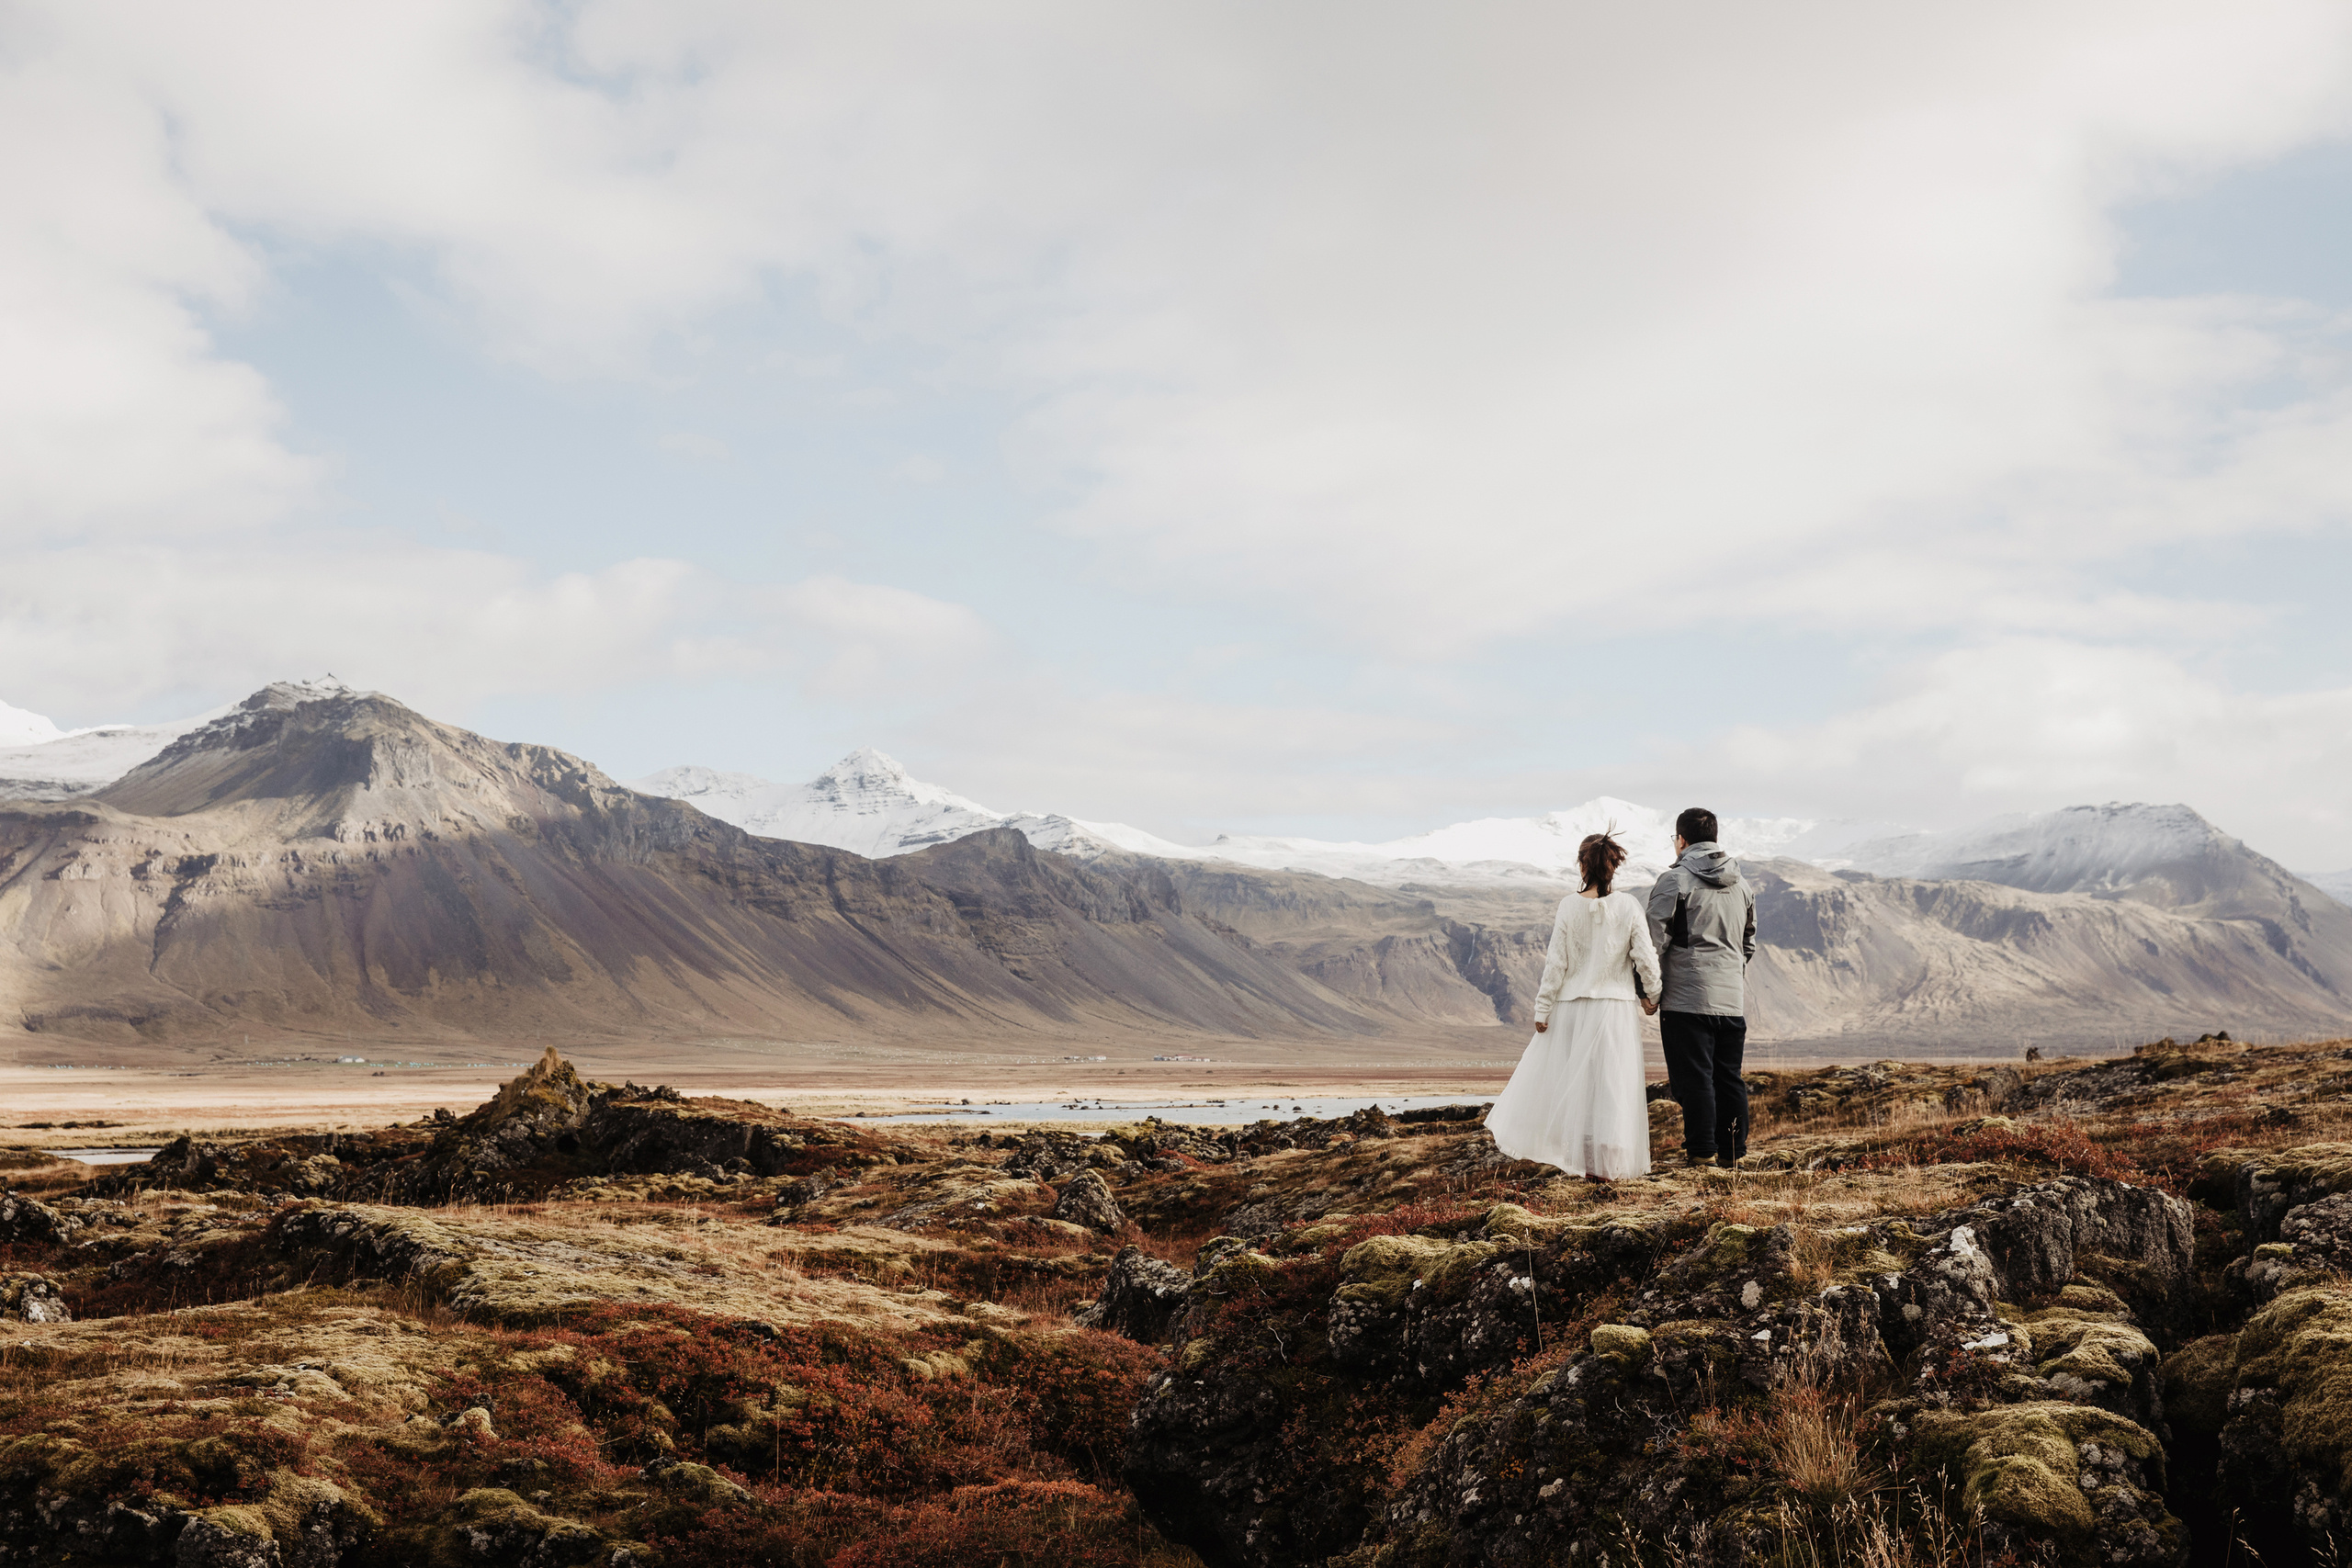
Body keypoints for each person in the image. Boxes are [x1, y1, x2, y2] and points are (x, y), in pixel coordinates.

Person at [1485, 829, 1661, 1179]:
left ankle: (1582, 1166)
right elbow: (1645, 957)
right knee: (1610, 1088)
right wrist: (1652, 995)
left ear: (1583, 865)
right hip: (1613, 1010)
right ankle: (1607, 1172)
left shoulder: (1569, 905)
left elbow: (1556, 964)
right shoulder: (1628, 906)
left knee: (1577, 1090)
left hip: (1571, 1009)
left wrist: (1542, 1009)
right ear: (1614, 865)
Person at [1645, 807, 1758, 1169]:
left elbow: (1652, 941)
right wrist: (1728, 973)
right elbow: (1748, 943)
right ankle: (1733, 1155)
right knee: (1729, 1078)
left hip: (1686, 999)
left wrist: (1647, 988)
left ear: (1681, 840)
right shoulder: (1742, 885)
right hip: (1730, 1000)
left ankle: (1702, 1154)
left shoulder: (1674, 880)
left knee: (1694, 1080)